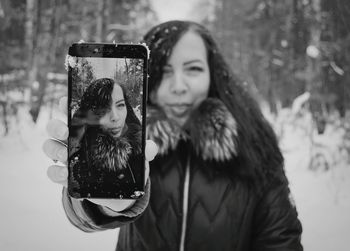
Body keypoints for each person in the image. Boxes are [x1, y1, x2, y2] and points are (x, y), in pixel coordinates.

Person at [43, 20, 303, 251]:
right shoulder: (130, 139)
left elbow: (281, 239)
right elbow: (86, 216)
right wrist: (106, 205)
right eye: (165, 71)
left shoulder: (253, 142)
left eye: (193, 69)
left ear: (214, 75)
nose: (179, 86)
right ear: (149, 79)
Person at [68, 78, 143, 199]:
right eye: (104, 109)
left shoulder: (143, 147)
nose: (115, 117)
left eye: (120, 105)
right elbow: (80, 207)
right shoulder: (80, 159)